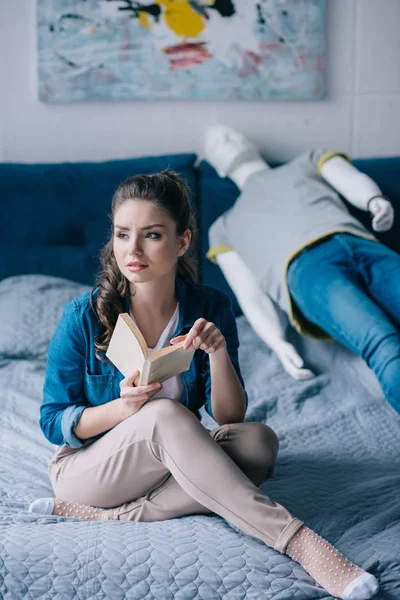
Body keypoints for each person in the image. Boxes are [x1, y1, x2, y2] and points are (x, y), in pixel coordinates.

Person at [29, 170, 378, 600]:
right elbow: (52, 420)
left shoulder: (209, 306)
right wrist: (123, 409)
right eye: (122, 234)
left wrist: (216, 353)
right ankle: (299, 542)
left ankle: (122, 518)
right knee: (162, 413)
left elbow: (229, 417)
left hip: (170, 455)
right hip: (88, 470)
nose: (132, 250)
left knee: (257, 443)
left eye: (151, 235)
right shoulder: (83, 316)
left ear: (182, 242)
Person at [205, 124, 399, 414]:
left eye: (230, 133)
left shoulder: (307, 161)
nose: (226, 139)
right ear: (217, 168)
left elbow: (351, 179)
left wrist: (375, 200)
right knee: (383, 343)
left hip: (366, 246)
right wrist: (278, 343)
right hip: (307, 272)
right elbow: (249, 295)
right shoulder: (224, 226)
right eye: (217, 143)